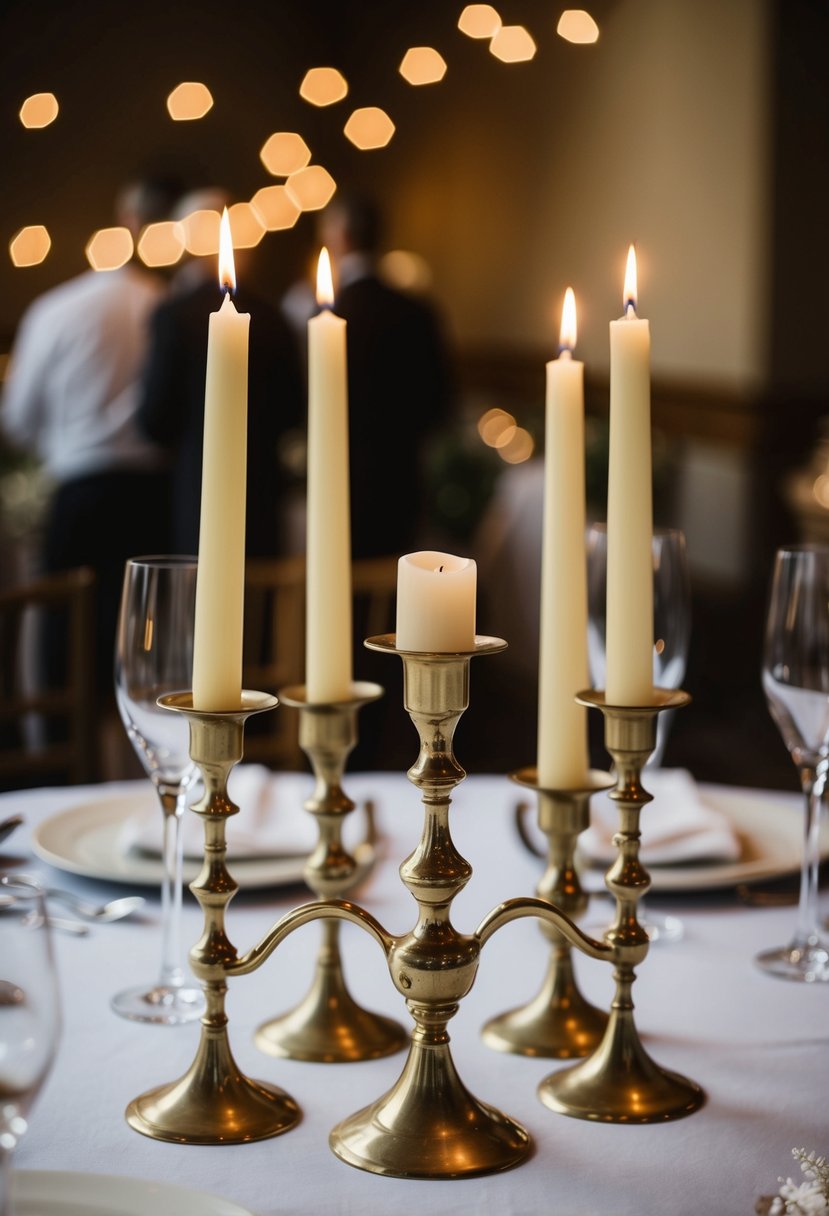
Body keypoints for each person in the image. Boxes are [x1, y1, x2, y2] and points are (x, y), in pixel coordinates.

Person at [0, 173, 180, 744]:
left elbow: (16, 420)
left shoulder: (57, 309)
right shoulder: (171, 308)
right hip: (155, 499)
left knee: (67, 646)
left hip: (80, 497)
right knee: (147, 647)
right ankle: (148, 764)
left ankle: (63, 766)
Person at [136, 187, 305, 560]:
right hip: (261, 488)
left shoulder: (174, 314)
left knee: (202, 597)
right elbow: (294, 409)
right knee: (258, 603)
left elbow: (154, 419)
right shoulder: (274, 316)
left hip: (199, 488)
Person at [314, 191, 455, 561]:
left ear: (340, 236)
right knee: (394, 585)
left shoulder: (329, 315)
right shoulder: (417, 311)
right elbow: (440, 402)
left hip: (337, 479)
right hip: (403, 478)